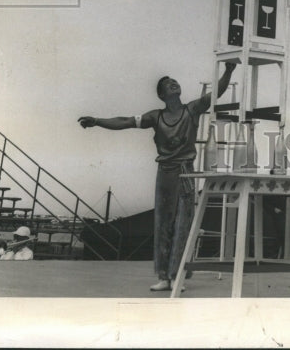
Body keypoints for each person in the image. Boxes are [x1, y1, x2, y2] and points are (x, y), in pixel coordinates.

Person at [78, 62, 236, 291]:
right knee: (162, 223)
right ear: (162, 95)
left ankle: (177, 275)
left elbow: (217, 93)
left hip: (185, 172)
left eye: (175, 82)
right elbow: (125, 122)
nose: (173, 84)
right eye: (167, 85)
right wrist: (97, 121)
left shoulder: (192, 109)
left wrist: (229, 71)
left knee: (183, 223)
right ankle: (164, 276)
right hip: (165, 174)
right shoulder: (156, 116)